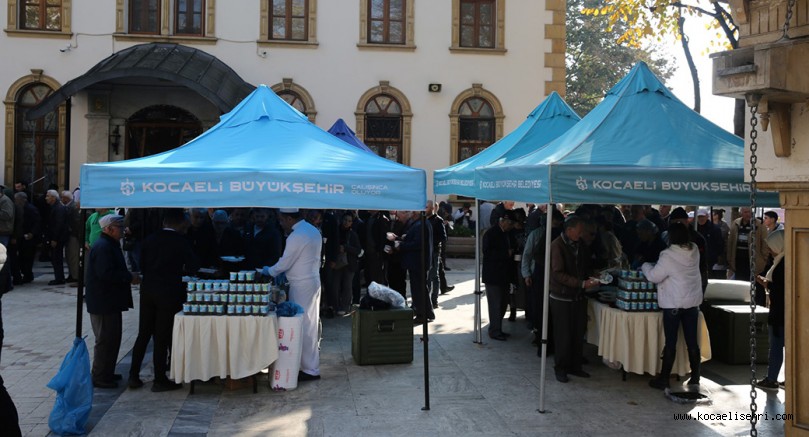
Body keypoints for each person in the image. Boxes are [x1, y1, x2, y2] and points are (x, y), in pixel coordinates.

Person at [128, 209, 199, 391]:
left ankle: (133, 375)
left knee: (143, 333)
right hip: (168, 292)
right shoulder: (180, 241)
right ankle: (159, 379)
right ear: (180, 223)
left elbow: (142, 264)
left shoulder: (149, 239)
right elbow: (193, 266)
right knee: (162, 335)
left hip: (148, 290)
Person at [262, 208, 323, 381]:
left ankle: (310, 369)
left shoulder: (297, 235)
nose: (281, 224)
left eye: (282, 220)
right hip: (310, 282)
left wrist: (268, 271)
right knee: (309, 324)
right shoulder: (311, 229)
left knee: (305, 325)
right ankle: (308, 366)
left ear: (289, 218)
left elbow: (284, 263)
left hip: (302, 284)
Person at [642, 222, 703, 389]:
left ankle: (664, 379)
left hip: (673, 304)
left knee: (671, 342)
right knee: (692, 342)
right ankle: (696, 377)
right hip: (692, 303)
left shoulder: (667, 255)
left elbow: (654, 277)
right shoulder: (694, 250)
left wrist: (645, 265)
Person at [85, 215, 139, 388]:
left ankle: (107, 371)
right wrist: (129, 277)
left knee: (113, 338)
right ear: (108, 229)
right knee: (105, 340)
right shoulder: (103, 247)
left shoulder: (109, 244)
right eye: (119, 227)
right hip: (103, 302)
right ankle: (100, 376)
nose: (122, 230)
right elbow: (106, 273)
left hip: (110, 301)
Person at [549, 215, 596, 383]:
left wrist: (593, 276)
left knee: (577, 334)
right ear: (569, 230)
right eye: (579, 231)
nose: (581, 234)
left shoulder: (580, 244)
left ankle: (575, 366)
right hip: (561, 297)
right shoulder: (557, 245)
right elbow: (558, 273)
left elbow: (584, 265)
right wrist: (581, 283)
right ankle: (561, 368)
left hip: (577, 296)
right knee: (563, 336)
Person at [754, 229, 785, 391]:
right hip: (784, 311)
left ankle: (772, 378)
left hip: (779, 312)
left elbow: (780, 288)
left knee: (776, 346)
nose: (770, 251)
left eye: (772, 247)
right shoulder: (785, 260)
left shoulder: (782, 265)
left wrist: (765, 283)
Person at [482, 210, 516, 340]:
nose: (511, 226)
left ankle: (498, 328)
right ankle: (494, 330)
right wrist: (505, 253)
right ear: (503, 221)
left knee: (503, 303)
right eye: (510, 223)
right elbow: (487, 253)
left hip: (504, 274)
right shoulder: (491, 233)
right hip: (493, 275)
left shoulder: (508, 233)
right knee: (495, 304)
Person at [727, 207, 768, 304]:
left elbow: (765, 243)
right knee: (741, 284)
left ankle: (758, 304)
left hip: (755, 261)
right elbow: (730, 242)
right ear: (741, 213)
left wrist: (764, 259)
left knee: (757, 286)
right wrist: (730, 259)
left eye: (749, 212)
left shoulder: (759, 225)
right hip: (739, 260)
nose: (748, 214)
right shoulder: (736, 223)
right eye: (745, 212)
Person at [399, 210, 433, 323]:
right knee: (421, 288)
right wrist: (405, 238)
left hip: (417, 262)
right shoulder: (422, 223)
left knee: (418, 290)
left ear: (415, 214)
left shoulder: (420, 224)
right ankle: (427, 312)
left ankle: (422, 314)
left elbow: (417, 244)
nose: (411, 214)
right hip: (419, 262)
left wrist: (401, 245)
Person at [332, 211, 361, 315]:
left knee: (347, 286)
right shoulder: (335, 232)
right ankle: (335, 307)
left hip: (349, 264)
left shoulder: (353, 235)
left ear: (352, 223)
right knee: (335, 286)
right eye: (345, 220)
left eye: (349, 221)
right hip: (336, 263)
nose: (346, 222)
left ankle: (345, 307)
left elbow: (358, 250)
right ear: (341, 220)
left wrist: (346, 248)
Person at [11, 193, 39, 285]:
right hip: (23, 236)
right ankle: (26, 274)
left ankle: (28, 275)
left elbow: (37, 222)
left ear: (22, 199)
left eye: (17, 199)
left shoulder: (30, 209)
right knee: (23, 257)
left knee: (27, 257)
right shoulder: (20, 208)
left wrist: (32, 233)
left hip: (29, 237)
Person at [44, 190, 68, 285]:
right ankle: (59, 277)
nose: (46, 198)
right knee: (55, 258)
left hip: (58, 238)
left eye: (48, 196)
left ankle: (59, 278)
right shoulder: (55, 207)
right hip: (56, 237)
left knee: (56, 258)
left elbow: (59, 224)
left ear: (53, 198)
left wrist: (55, 238)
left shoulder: (59, 208)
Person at [61, 191, 81, 284]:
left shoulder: (73, 207)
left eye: (62, 197)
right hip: (70, 235)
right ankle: (72, 274)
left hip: (73, 235)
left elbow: (76, 222)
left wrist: (76, 234)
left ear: (66, 198)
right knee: (69, 256)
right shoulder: (69, 206)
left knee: (73, 256)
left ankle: (75, 275)